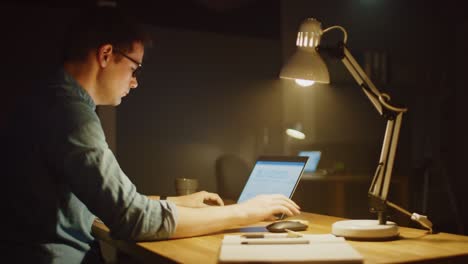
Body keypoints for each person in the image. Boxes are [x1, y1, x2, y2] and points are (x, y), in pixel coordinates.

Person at [0, 6, 300, 264]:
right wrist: (246, 212)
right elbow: (132, 218)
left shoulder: (46, 98)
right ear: (106, 55)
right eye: (135, 68)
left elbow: (100, 201)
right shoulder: (70, 114)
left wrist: (176, 202)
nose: (134, 82)